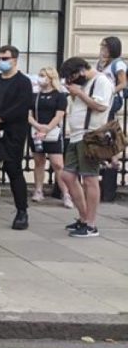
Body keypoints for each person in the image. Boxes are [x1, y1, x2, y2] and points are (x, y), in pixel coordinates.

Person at [0, 45, 34, 230]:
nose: (1, 62)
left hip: (13, 132)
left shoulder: (23, 82)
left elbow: (20, 106)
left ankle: (21, 211)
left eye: (5, 58)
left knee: (13, 169)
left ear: (15, 60)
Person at [60, 57, 114, 238]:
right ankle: (83, 218)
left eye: (72, 76)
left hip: (90, 135)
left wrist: (80, 94)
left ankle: (90, 224)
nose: (71, 81)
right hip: (76, 136)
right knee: (67, 175)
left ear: (81, 70)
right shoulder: (84, 83)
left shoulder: (101, 81)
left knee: (90, 179)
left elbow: (100, 106)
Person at [28, 67, 70, 207]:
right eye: (39, 75)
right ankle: (38, 190)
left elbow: (59, 115)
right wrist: (38, 126)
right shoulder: (35, 96)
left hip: (52, 132)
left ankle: (66, 193)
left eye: (43, 75)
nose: (40, 78)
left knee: (58, 164)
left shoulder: (59, 95)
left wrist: (47, 128)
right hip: (37, 131)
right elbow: (29, 114)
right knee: (39, 162)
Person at [96, 36, 126, 121]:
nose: (102, 48)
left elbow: (123, 83)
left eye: (105, 46)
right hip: (101, 96)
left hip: (113, 97)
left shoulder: (118, 64)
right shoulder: (102, 63)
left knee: (107, 120)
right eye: (101, 45)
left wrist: (110, 91)